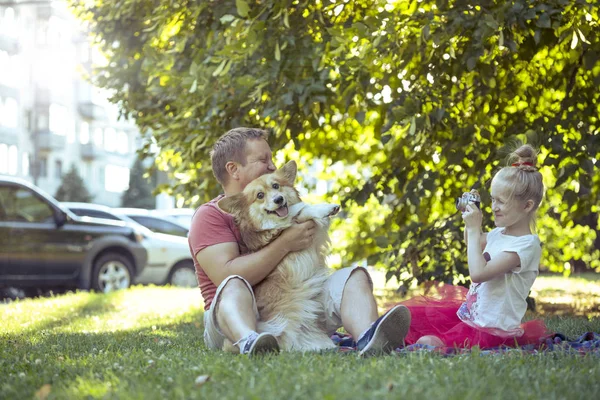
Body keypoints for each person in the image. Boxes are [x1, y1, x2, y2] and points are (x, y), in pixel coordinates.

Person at [188, 127, 411, 356]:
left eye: (271, 159)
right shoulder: (210, 216)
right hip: (232, 320)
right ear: (234, 169)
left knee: (354, 277)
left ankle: (369, 339)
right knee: (233, 284)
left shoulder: (282, 206)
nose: (273, 166)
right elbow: (226, 275)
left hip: (292, 303)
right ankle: (250, 342)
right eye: (263, 160)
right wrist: (286, 243)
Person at [401, 144, 549, 348]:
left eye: (500, 202)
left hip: (492, 331)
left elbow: (478, 273)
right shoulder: (499, 233)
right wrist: (470, 219)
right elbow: (472, 243)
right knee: (409, 319)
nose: (493, 207)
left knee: (430, 341)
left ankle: (418, 346)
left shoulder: (525, 246)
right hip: (472, 319)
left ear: (527, 206)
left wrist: (473, 228)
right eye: (492, 200)